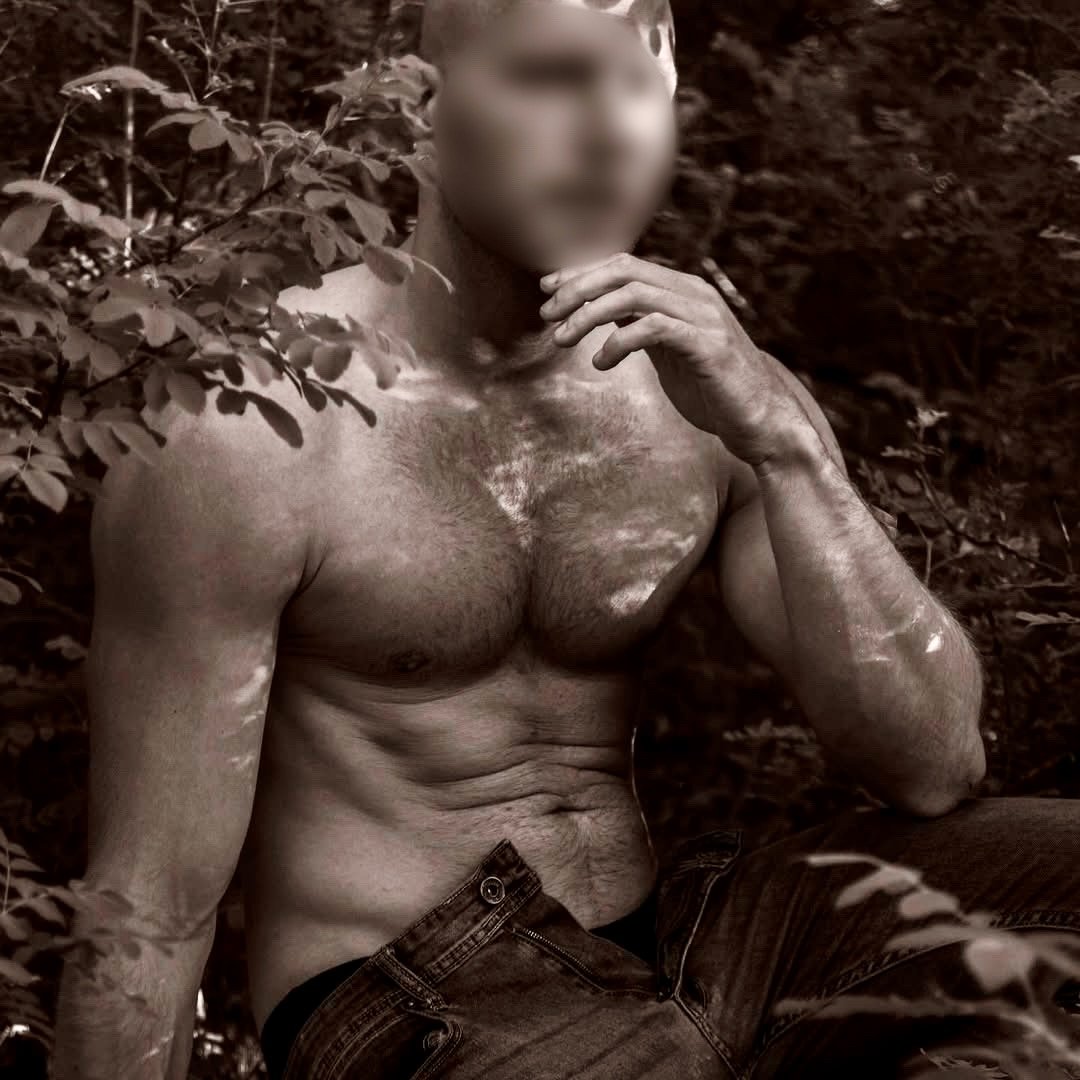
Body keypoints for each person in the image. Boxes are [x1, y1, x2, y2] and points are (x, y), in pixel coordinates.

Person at [52, 1, 1080, 1078]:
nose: (609, 130)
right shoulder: (249, 427)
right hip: (410, 996)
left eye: (642, 89)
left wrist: (788, 447)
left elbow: (931, 766)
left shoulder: (703, 392)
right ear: (419, 104)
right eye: (551, 78)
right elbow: (147, 910)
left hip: (678, 947)